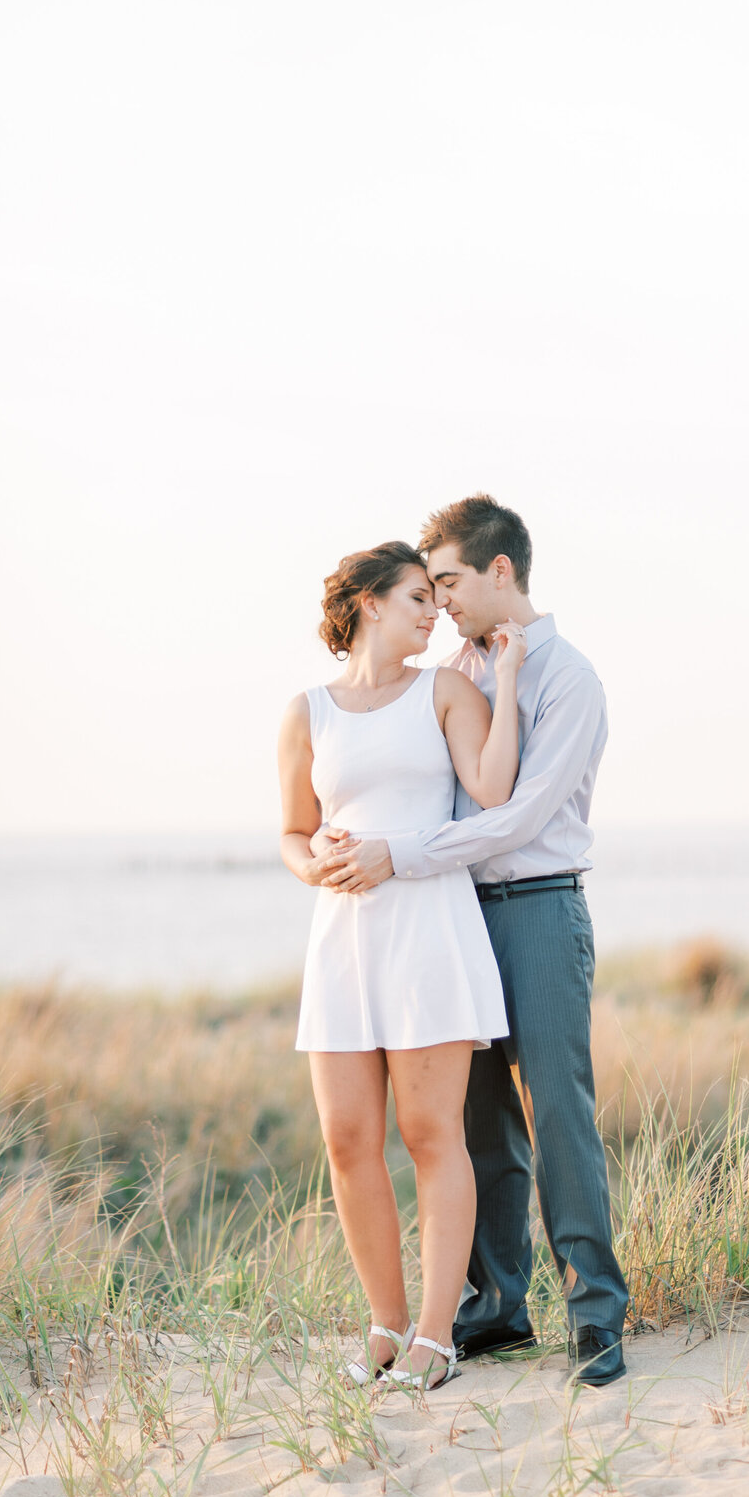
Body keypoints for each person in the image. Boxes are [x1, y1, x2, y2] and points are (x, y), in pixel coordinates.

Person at [312, 497, 629, 1387]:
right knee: (477, 1123)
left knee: (555, 1114)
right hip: (449, 918)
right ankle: (497, 1310)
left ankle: (597, 1318)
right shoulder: (451, 671)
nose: (439, 599)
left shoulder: (569, 678)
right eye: (427, 586)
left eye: (447, 579)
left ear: (500, 571)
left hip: (533, 906)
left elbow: (516, 814)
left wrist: (395, 856)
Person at [278, 540, 527, 1391]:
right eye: (418, 596)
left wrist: (515, 677)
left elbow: (493, 791)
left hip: (429, 929)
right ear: (369, 603)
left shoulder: (446, 688)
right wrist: (313, 864)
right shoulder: (308, 710)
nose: (435, 612)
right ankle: (383, 1325)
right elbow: (292, 830)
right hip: (342, 936)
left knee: (430, 1135)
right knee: (347, 1139)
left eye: (437, 595)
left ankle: (434, 1333)